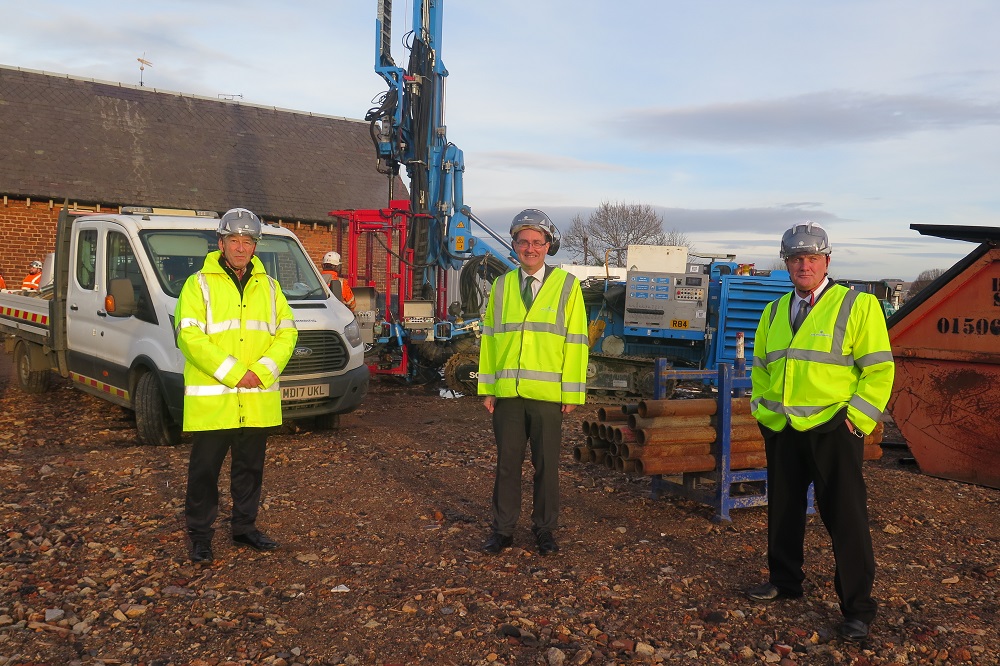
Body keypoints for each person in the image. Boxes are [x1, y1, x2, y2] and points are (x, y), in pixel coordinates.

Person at [746, 222, 895, 642]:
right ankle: (785, 581)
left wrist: (857, 420)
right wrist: (761, 410)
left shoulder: (857, 306)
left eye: (811, 257)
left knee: (845, 517)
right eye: (795, 258)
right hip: (783, 427)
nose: (803, 265)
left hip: (834, 427)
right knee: (784, 509)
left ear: (827, 260)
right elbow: (760, 367)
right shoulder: (774, 311)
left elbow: (880, 369)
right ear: (787, 263)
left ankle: (858, 609)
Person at [174, 207, 298, 563]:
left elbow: (287, 333)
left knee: (250, 470)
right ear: (221, 243)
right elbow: (189, 337)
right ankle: (200, 536)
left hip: (256, 397)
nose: (240, 248)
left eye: (247, 241)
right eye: (234, 240)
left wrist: (260, 371)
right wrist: (234, 373)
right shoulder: (198, 284)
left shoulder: (271, 288)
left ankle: (245, 529)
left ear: (255, 246)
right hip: (215, 402)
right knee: (204, 473)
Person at [477, 209, 589, 556]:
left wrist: (572, 393)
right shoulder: (501, 286)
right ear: (514, 246)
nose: (530, 248)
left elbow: (577, 341)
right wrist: (488, 387)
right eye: (523, 242)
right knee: (507, 465)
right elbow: (490, 339)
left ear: (548, 246)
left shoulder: (567, 286)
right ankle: (503, 530)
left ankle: (545, 531)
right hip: (508, 394)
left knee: (547, 467)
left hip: (547, 396)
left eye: (537, 242)